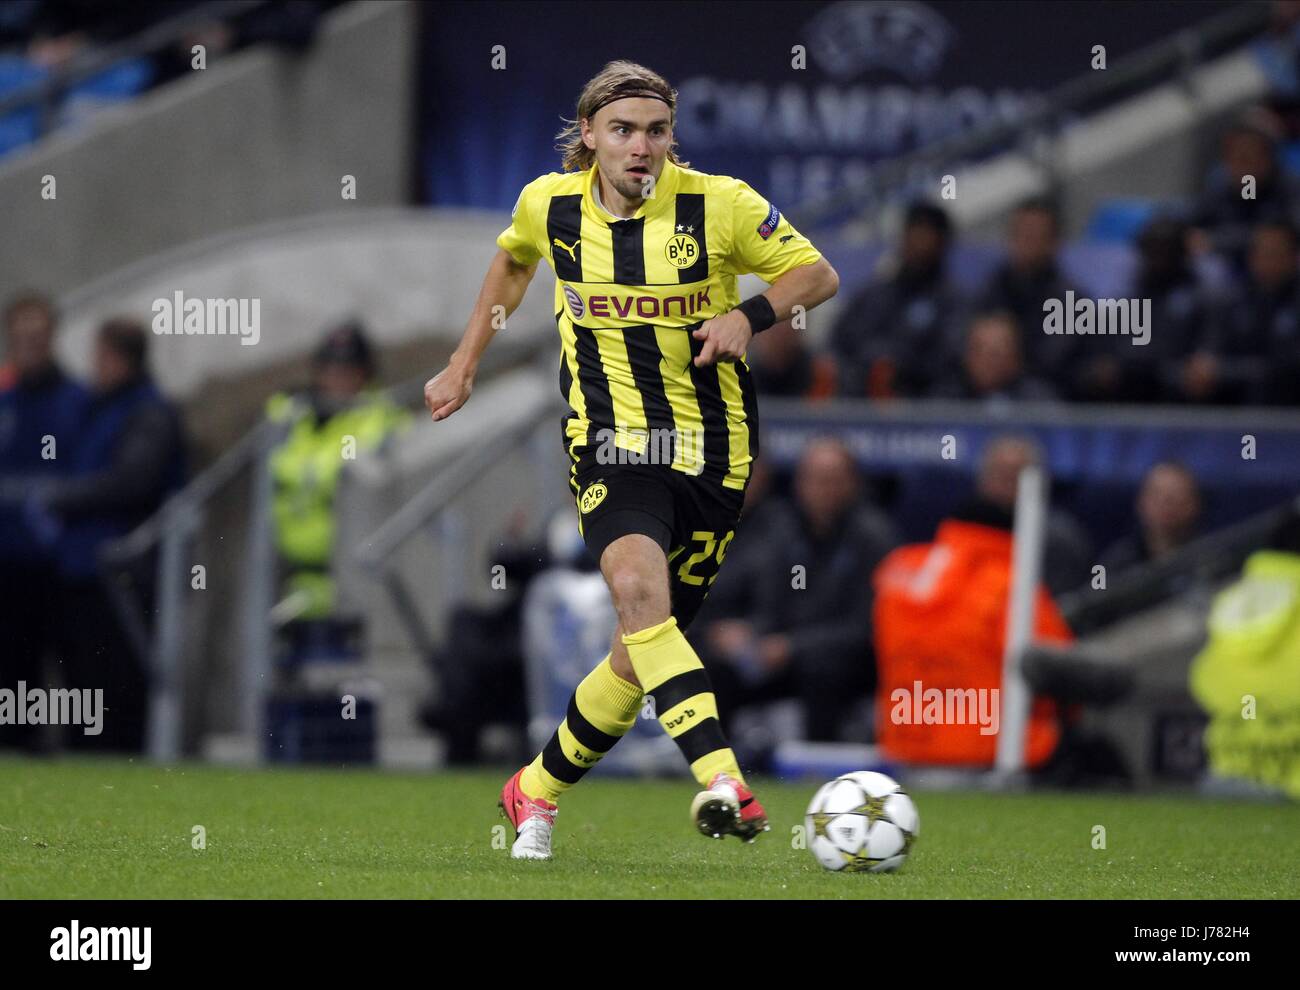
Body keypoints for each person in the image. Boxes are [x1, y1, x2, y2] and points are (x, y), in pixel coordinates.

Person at [422, 60, 839, 859]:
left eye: (655, 131)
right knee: (640, 593)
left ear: (671, 136)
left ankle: (534, 789)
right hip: (612, 443)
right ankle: (723, 780)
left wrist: (751, 316)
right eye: (623, 131)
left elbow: (816, 274)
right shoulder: (549, 205)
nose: (640, 147)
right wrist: (464, 361)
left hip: (713, 454)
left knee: (636, 650)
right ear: (589, 135)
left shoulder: (719, 204)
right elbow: (513, 261)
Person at [38, 318, 185, 753]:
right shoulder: (98, 408)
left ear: (121, 359)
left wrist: (61, 498)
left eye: (101, 357)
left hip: (120, 571)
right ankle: (83, 753)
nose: (95, 366)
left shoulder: (147, 412)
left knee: (115, 682)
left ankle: (116, 759)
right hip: (81, 566)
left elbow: (132, 480)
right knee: (80, 679)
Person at [699, 439, 899, 749]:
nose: (822, 489)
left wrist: (794, 646)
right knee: (717, 667)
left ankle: (819, 762)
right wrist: (747, 632)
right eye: (814, 479)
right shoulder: (782, 531)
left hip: (848, 661)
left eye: (832, 479)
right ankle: (715, 760)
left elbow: (866, 627)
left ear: (853, 483)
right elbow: (771, 607)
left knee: (822, 668)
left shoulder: (873, 537)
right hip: (782, 654)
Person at [265, 320, 410, 621]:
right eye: (329, 369)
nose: (336, 378)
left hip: (343, 571)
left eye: (347, 370)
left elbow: (357, 466)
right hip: (285, 567)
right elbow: (273, 454)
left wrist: (303, 471)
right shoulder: (295, 411)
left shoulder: (377, 414)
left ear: (365, 374)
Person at [0, 293, 87, 751]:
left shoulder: (79, 401)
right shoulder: (5, 401)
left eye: (37, 335)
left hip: (60, 560)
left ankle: (76, 749)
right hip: (7, 559)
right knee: (12, 664)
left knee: (71, 663)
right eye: (21, 336)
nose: (30, 344)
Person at [827, 200, 966, 398]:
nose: (919, 242)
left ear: (942, 242)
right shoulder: (873, 295)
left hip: (925, 404)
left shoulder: (953, 302)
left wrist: (901, 366)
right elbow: (837, 344)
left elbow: (951, 358)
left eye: (927, 235)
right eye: (914, 233)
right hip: (861, 402)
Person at [978, 198, 1080, 390]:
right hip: (980, 393)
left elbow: (1054, 360)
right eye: (1021, 234)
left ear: (1054, 243)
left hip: (1043, 395)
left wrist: (1006, 363)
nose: (1027, 242)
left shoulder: (1071, 301)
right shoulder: (989, 291)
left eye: (1036, 235)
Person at [928, 310, 1059, 405]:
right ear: (966, 355)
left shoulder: (1038, 402)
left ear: (1016, 358)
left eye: (995, 354)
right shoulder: (945, 401)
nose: (987, 362)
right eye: (979, 351)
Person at [1100, 461, 1203, 573]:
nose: (1166, 504)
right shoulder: (1117, 562)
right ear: (1140, 502)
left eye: (1177, 497)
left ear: (1195, 505)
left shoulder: (1209, 559)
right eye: (1157, 495)